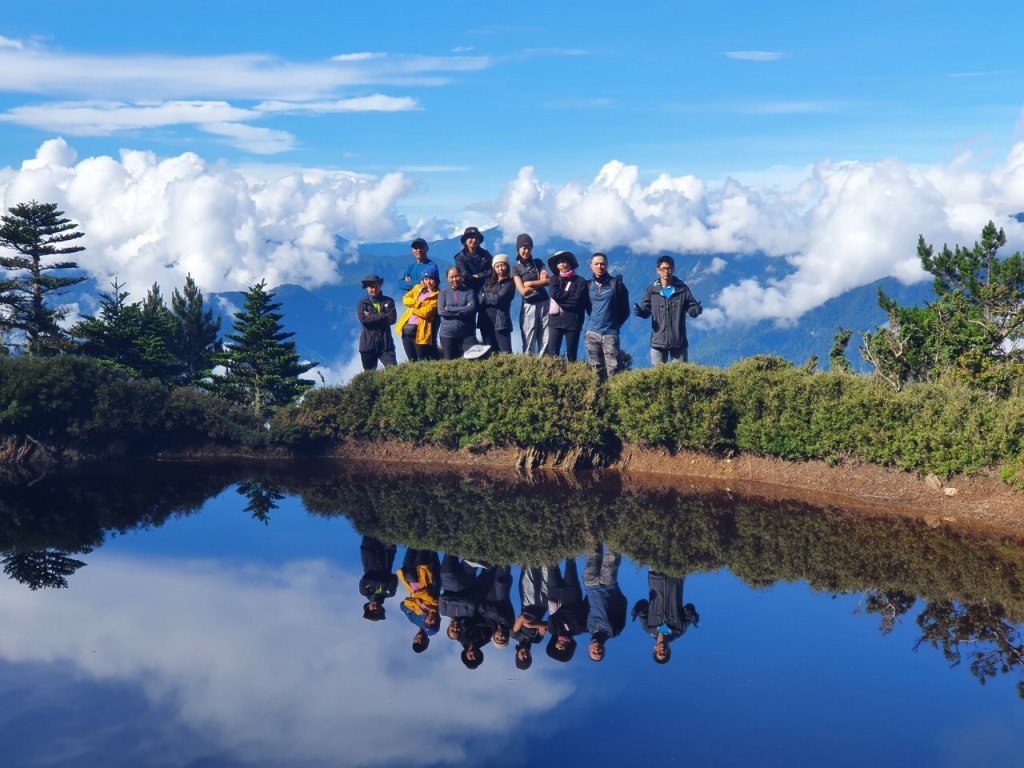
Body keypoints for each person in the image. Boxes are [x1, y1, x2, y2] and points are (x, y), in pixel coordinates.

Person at [633, 255, 702, 364]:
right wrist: (640, 312)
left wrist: (695, 310)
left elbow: (691, 306)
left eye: (669, 268)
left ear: (673, 269)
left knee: (681, 377)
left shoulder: (682, 289)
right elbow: (646, 310)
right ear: (658, 270)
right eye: (663, 269)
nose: (666, 271)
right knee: (658, 377)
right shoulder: (652, 290)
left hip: (678, 341)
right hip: (658, 342)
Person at [631, 571, 699, 664]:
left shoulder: (649, 628)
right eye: (665, 653)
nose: (662, 651)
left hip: (655, 576)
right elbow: (689, 608)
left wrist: (636, 610)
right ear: (669, 650)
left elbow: (643, 605)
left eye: (659, 653)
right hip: (676, 576)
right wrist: (693, 615)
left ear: (654, 649)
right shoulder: (679, 630)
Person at [584, 252, 630, 380]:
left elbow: (625, 310)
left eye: (602, 264)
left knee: (614, 370)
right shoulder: (587, 285)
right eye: (596, 264)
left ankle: (613, 398)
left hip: (610, 333)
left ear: (607, 265)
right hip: (592, 333)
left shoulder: (616, 285)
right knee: (595, 371)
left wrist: (614, 324)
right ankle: (599, 398)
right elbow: (588, 308)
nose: (600, 266)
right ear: (591, 266)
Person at [583, 545, 627, 661]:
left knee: (593, 549)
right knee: (613, 552)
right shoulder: (614, 631)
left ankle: (593, 527)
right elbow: (623, 604)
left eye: (594, 652)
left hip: (590, 585)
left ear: (589, 648)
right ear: (604, 649)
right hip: (608, 585)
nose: (597, 650)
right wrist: (613, 589)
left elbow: (585, 606)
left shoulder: (587, 627)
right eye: (600, 652)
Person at [545, 251, 589, 362]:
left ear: (570, 263)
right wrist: (569, 295)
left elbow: (577, 301)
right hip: (556, 322)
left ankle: (572, 377)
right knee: (552, 354)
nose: (562, 264)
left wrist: (561, 299)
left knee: (571, 355)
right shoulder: (554, 279)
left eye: (565, 261)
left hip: (574, 322)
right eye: (559, 262)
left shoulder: (580, 281)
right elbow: (555, 295)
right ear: (556, 266)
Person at [510, 233, 549, 355]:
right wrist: (539, 283)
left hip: (544, 304)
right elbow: (522, 291)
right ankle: (529, 370)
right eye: (523, 248)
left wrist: (528, 283)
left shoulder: (538, 262)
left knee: (546, 338)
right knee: (529, 338)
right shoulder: (515, 268)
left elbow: (548, 281)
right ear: (518, 248)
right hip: (528, 306)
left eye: (529, 248)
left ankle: (545, 368)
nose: (526, 251)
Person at [397, 549, 442, 654]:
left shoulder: (414, 620)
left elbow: (403, 606)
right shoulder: (431, 630)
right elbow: (430, 599)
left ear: (413, 639)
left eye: (416, 642)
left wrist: (417, 605)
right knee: (425, 548)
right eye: (422, 643)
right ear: (427, 642)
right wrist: (417, 602)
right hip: (427, 580)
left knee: (412, 548)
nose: (419, 640)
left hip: (412, 584)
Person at [546, 558, 589, 663]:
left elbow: (553, 618)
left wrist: (565, 615)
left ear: (554, 644)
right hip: (572, 592)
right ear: (569, 647)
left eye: (557, 648)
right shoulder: (579, 630)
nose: (560, 646)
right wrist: (561, 615)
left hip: (554, 592)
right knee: (571, 563)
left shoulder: (552, 630)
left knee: (550, 562)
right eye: (563, 649)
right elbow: (573, 612)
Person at [396, 263, 440, 362]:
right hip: (406, 329)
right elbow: (405, 299)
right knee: (412, 360)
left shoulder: (437, 295)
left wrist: (412, 308)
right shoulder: (418, 288)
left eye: (431, 279)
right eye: (426, 278)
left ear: (436, 280)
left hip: (421, 331)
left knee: (422, 360)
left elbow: (426, 312)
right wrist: (418, 304)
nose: (428, 281)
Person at [512, 566, 551, 671]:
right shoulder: (537, 639)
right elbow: (547, 625)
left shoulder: (514, 635)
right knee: (546, 571)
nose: (525, 656)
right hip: (543, 605)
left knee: (528, 567)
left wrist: (536, 624)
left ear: (517, 656)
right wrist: (529, 625)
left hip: (528, 601)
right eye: (527, 658)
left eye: (522, 658)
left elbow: (522, 617)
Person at [356, 274, 397, 370]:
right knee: (369, 377)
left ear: (380, 286)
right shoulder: (362, 303)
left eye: (376, 286)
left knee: (394, 371)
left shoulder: (388, 301)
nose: (374, 289)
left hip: (386, 345)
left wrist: (371, 317)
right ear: (366, 288)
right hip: (368, 346)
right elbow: (363, 320)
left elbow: (392, 319)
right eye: (371, 287)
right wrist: (382, 316)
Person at [477, 254, 515, 354]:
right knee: (489, 353)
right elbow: (479, 299)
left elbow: (499, 299)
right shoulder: (488, 281)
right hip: (485, 321)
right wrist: (490, 296)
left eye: (503, 265)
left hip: (501, 322)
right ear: (494, 268)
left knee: (505, 353)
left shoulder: (510, 282)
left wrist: (486, 296)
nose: (500, 268)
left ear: (507, 266)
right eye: (497, 266)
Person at [438, 266, 478, 359]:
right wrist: (464, 309)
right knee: (450, 362)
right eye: (451, 277)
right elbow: (441, 311)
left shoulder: (469, 292)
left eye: (457, 276)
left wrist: (450, 308)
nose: (454, 279)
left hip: (467, 333)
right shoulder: (443, 294)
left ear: (461, 276)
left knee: (473, 360)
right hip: (447, 334)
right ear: (447, 278)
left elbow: (471, 309)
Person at [359, 536, 398, 622]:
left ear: (368, 607)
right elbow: (394, 578)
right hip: (388, 551)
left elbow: (365, 579)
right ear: (382, 609)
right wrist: (376, 581)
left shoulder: (364, 592)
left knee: (369, 524)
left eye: (372, 610)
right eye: (378, 610)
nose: (375, 608)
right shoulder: (390, 593)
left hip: (369, 551)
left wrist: (383, 582)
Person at [453, 226, 493, 295]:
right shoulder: (460, 258)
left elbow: (492, 270)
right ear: (465, 240)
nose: (474, 240)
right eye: (471, 237)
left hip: (486, 290)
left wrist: (478, 275)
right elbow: (465, 276)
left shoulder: (485, 254)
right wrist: (484, 275)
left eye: (476, 238)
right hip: (468, 291)